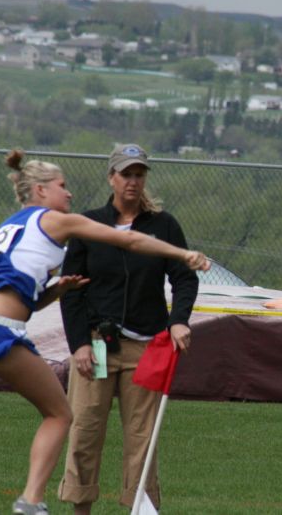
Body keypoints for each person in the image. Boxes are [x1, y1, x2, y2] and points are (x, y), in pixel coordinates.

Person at [0, 149, 209, 515]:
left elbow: (15, 295)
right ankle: (31, 501)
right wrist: (183, 255)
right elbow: (129, 241)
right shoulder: (56, 220)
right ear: (41, 191)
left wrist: (54, 291)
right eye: (63, 186)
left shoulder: (10, 225)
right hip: (46, 338)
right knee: (62, 415)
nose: (69, 194)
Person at [57, 143, 200, 514]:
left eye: (139, 174)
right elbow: (70, 292)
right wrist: (79, 345)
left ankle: (140, 508)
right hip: (97, 347)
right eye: (126, 174)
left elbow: (184, 278)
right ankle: (80, 508)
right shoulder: (88, 225)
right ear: (111, 178)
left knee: (142, 439)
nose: (133, 182)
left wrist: (179, 320)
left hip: (146, 348)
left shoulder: (164, 225)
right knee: (85, 431)